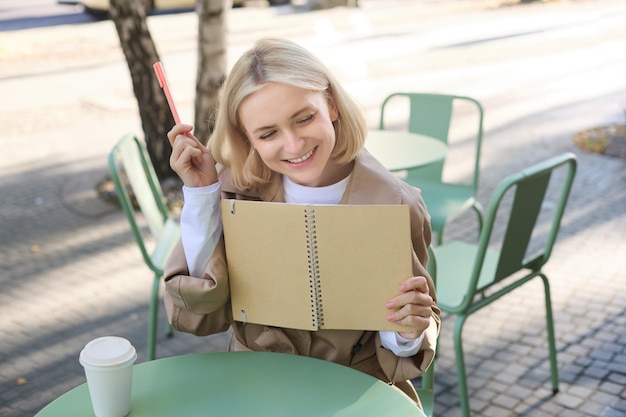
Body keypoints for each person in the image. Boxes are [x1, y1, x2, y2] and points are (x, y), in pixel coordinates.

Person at [163, 37, 440, 409]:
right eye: (268, 133)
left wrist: (405, 330)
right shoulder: (233, 191)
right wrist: (201, 197)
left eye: (304, 118)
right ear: (248, 138)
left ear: (331, 104)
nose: (294, 145)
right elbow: (200, 317)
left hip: (354, 391)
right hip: (255, 387)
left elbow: (409, 326)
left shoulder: (396, 204)